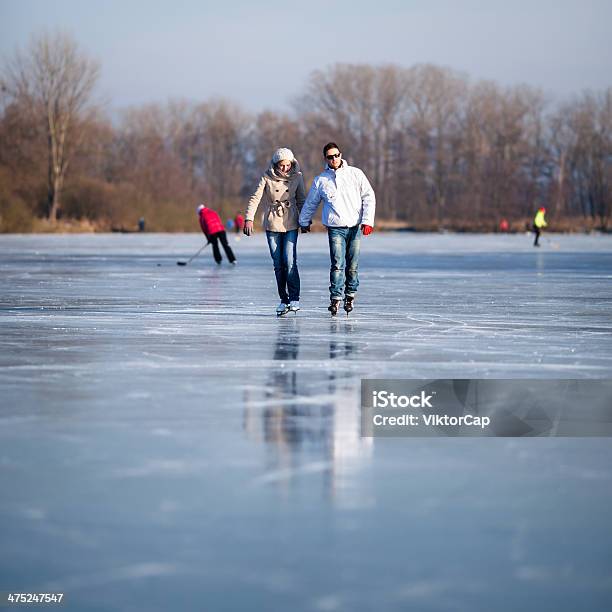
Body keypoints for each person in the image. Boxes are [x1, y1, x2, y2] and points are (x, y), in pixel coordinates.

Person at [299, 142, 375, 316]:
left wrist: (367, 220)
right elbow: (311, 202)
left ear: (341, 155)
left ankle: (350, 294)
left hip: (354, 226)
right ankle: (335, 298)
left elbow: (369, 196)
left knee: (352, 265)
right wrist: (304, 221)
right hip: (335, 228)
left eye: (337, 155)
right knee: (337, 264)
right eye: (330, 157)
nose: (334, 159)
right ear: (325, 159)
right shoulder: (321, 180)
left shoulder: (355, 174)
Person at [244, 147, 306, 316]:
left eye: (287, 165)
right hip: (272, 222)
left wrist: (305, 220)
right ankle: (283, 300)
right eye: (281, 165)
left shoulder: (297, 177)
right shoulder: (267, 177)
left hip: (291, 222)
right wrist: (249, 218)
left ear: (292, 163)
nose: (285, 168)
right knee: (278, 265)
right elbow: (255, 198)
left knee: (290, 261)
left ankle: (294, 298)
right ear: (276, 164)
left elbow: (301, 200)